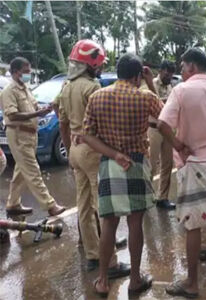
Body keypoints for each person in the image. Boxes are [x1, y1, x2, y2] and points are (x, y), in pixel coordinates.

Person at [83, 54, 162, 297]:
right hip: (137, 163)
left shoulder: (97, 96)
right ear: (138, 75)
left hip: (109, 164)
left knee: (109, 223)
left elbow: (88, 135)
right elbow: (165, 116)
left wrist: (114, 154)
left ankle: (104, 280)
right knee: (135, 223)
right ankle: (135, 280)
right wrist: (151, 83)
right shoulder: (146, 96)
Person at [160, 48, 206, 298]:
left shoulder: (180, 91)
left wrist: (179, 145)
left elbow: (162, 124)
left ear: (192, 67)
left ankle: (192, 282)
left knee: (192, 225)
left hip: (190, 165)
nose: (181, 71)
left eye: (182, 67)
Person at [58, 40, 131, 276]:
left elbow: (63, 124)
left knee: (84, 204)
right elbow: (104, 125)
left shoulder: (66, 87)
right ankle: (109, 262)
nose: (100, 68)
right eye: (98, 64)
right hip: (92, 150)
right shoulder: (93, 88)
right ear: (90, 64)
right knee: (104, 206)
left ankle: (92, 253)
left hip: (76, 150)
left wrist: (70, 150)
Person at [0, 57, 65, 217]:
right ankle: (50, 205)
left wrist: (44, 108)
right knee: (32, 170)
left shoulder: (26, 88)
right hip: (18, 134)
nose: (28, 74)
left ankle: (13, 204)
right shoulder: (8, 92)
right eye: (26, 71)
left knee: (21, 171)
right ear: (15, 72)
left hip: (30, 135)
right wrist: (37, 113)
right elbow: (12, 115)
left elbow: (34, 105)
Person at [149, 60, 176, 210]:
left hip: (167, 128)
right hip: (153, 129)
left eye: (171, 74)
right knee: (151, 165)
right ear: (160, 71)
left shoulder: (171, 87)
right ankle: (146, 196)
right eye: (167, 73)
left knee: (167, 164)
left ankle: (162, 197)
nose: (169, 77)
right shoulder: (151, 83)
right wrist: (167, 102)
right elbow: (153, 103)